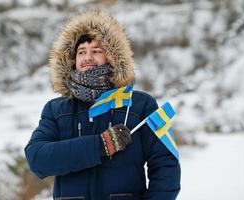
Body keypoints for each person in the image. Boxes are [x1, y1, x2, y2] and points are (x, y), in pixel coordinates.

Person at [24, 10, 180, 200]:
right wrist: (100, 145)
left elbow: (166, 165)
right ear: (72, 61)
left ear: (112, 57)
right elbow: (37, 158)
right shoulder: (56, 110)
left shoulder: (140, 105)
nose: (88, 57)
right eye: (81, 52)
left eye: (96, 51)